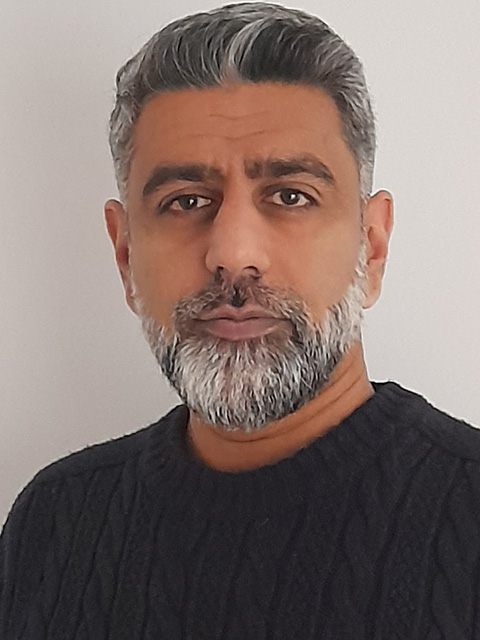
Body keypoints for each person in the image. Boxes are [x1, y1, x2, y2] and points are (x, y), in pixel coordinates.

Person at [1, 3, 479, 638]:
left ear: (372, 246)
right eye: (185, 201)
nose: (232, 253)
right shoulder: (54, 521)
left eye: (290, 195)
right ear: (124, 255)